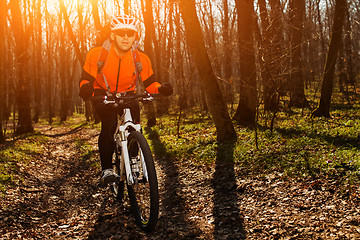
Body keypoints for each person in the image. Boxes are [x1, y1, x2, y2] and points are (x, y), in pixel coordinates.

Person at [79, 14, 173, 185]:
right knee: (109, 125)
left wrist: (160, 89)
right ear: (112, 35)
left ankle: (134, 158)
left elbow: (150, 83)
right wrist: (85, 89)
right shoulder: (96, 54)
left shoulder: (141, 58)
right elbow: (86, 79)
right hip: (103, 92)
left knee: (135, 125)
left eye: (130, 33)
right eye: (121, 32)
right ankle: (107, 170)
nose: (125, 37)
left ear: (135, 36)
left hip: (128, 93)